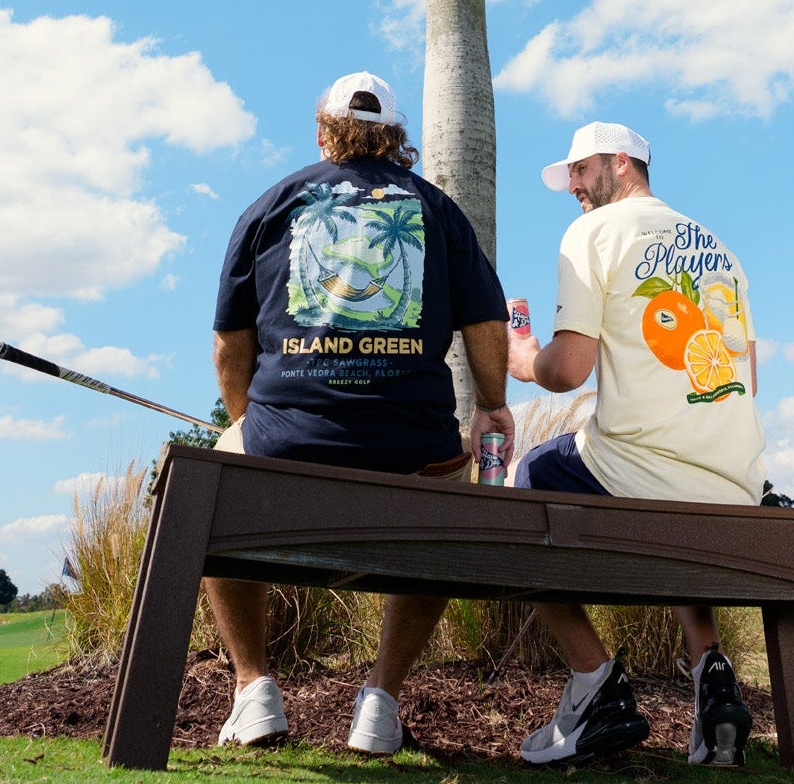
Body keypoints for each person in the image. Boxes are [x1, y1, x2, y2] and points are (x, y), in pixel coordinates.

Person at [206, 71, 513, 755]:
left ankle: (254, 689)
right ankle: (380, 700)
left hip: (285, 443)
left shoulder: (272, 203)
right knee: (448, 504)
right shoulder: (434, 206)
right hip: (414, 451)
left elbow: (231, 344)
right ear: (394, 137)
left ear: (323, 134)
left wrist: (249, 421)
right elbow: (488, 321)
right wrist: (492, 406)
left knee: (212, 487)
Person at [507, 121, 763, 767]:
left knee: (531, 477)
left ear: (621, 163)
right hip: (736, 483)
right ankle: (713, 670)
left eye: (580, 169)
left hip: (643, 471)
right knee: (675, 493)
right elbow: (746, 375)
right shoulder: (720, 248)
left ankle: (596, 685)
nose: (571, 185)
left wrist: (524, 359)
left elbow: (568, 371)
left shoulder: (594, 233)